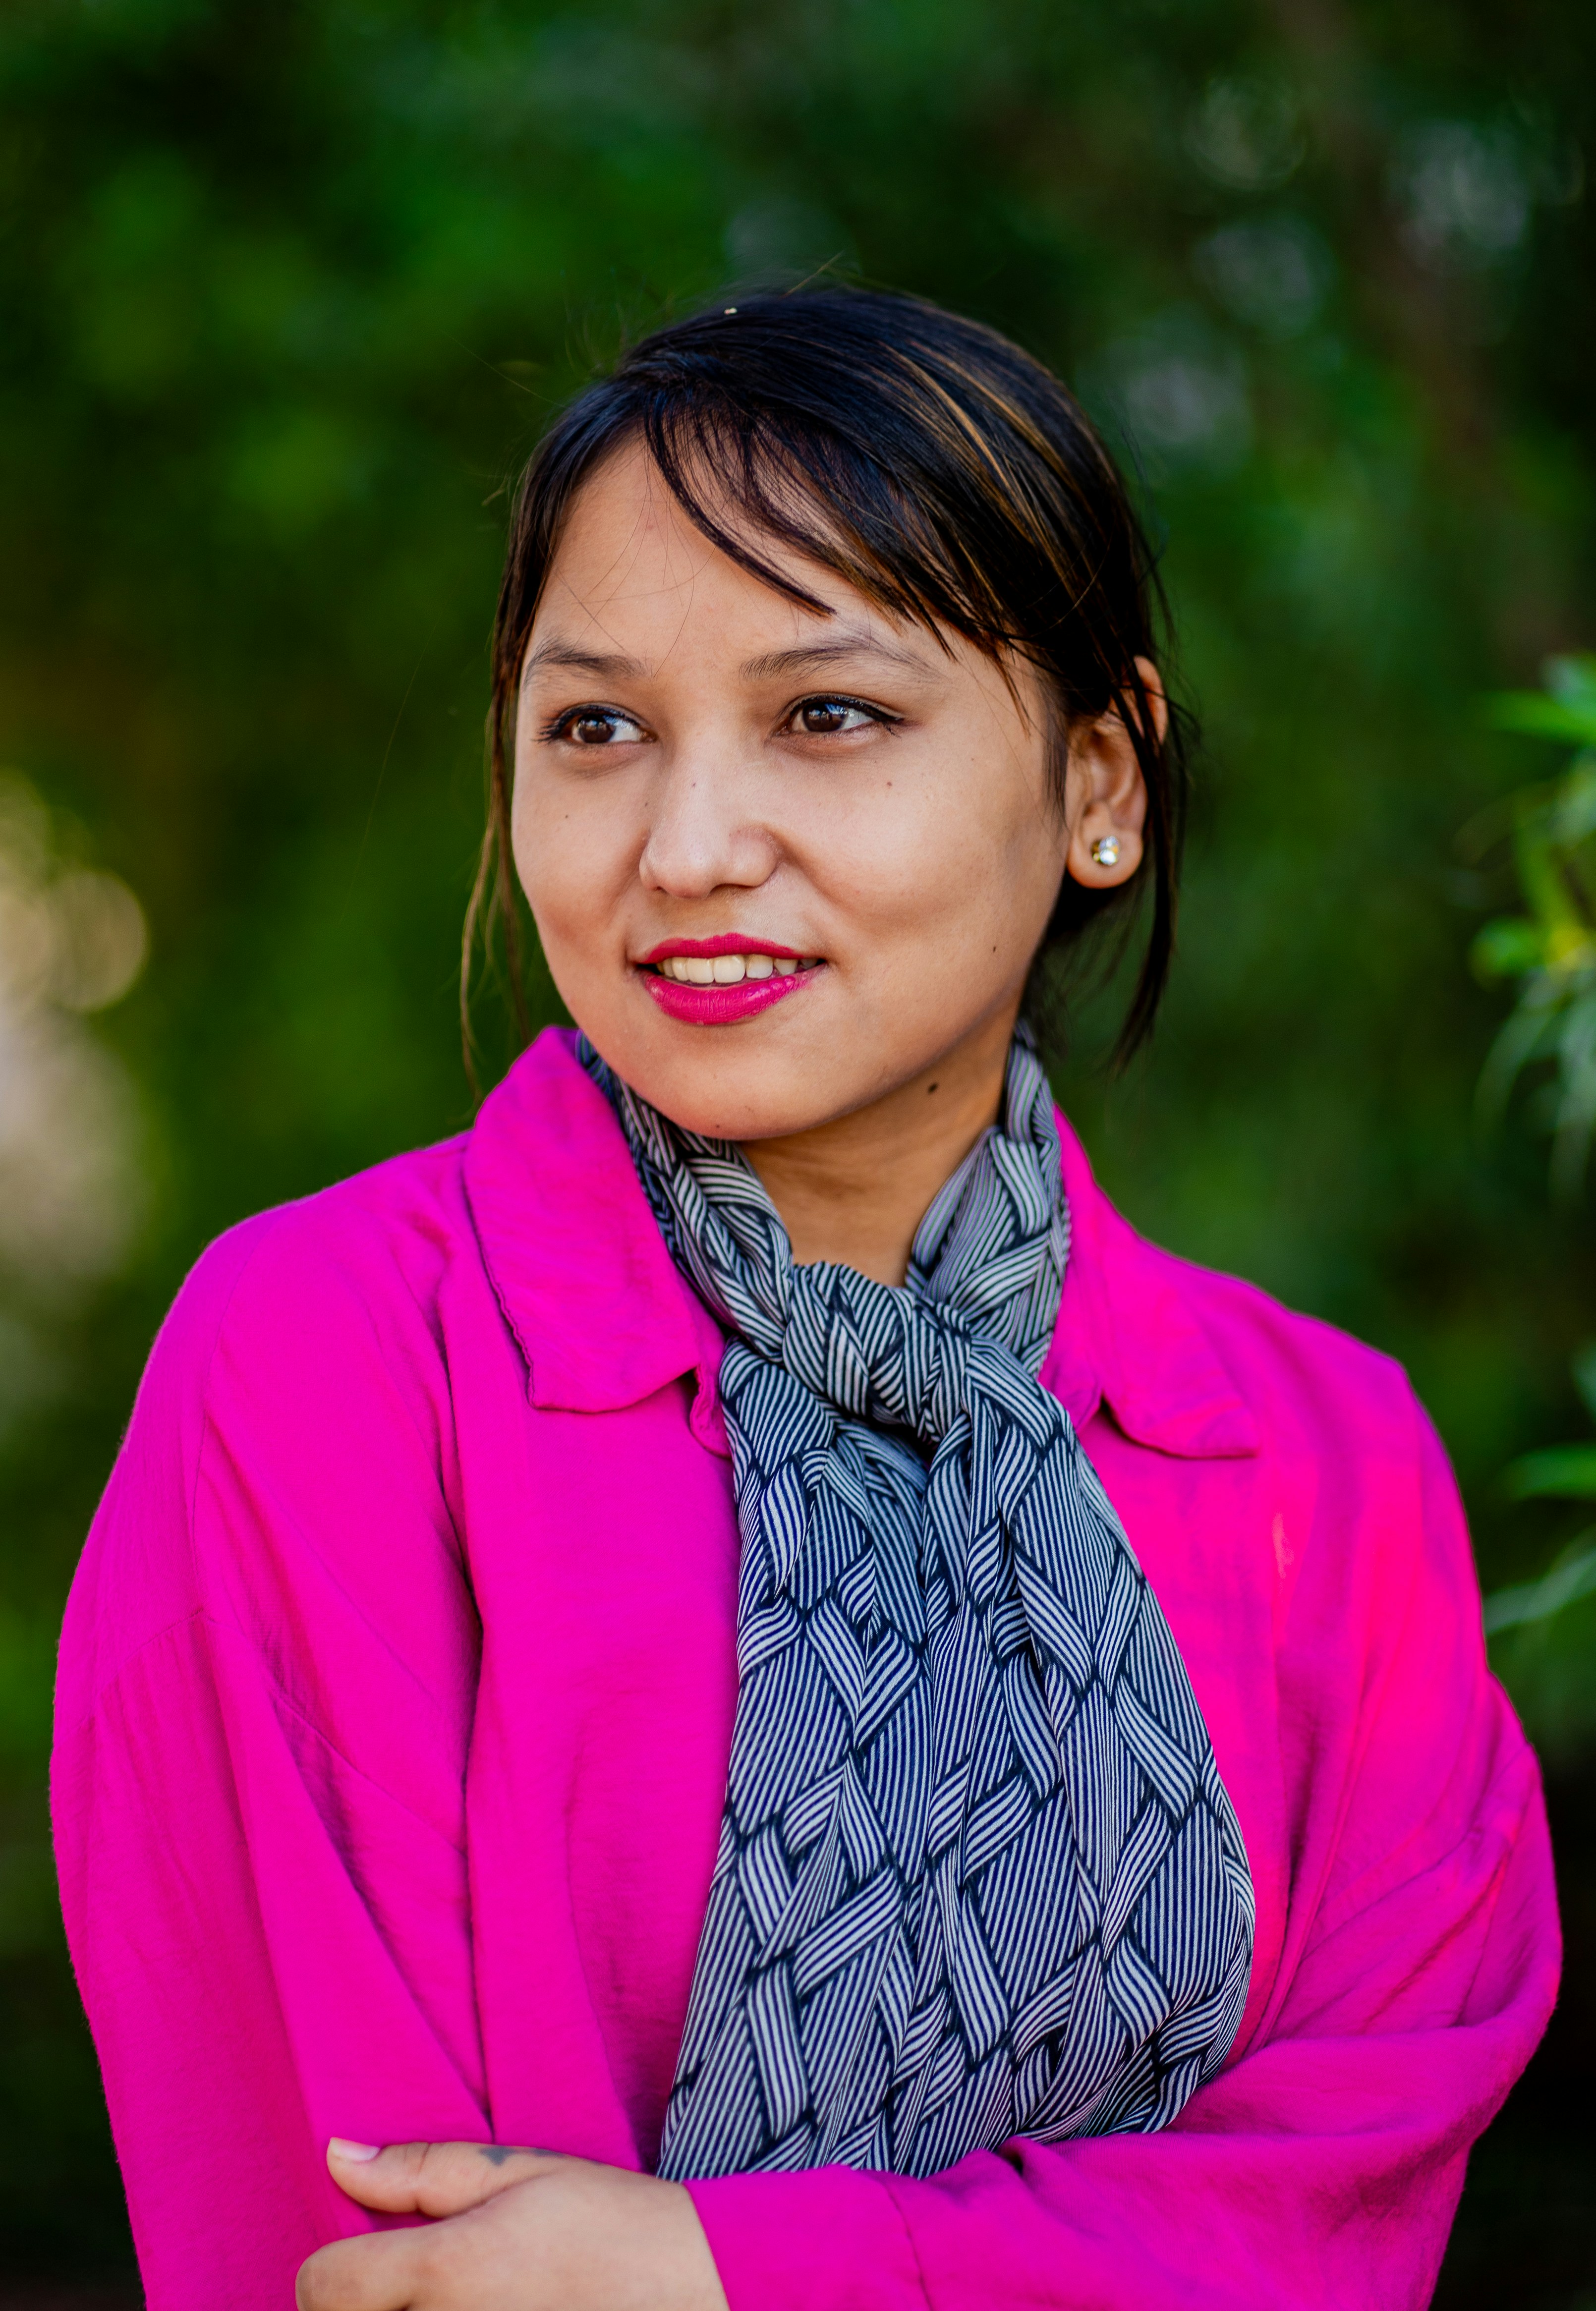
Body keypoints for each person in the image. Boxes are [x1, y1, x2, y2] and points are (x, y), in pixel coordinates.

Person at [53, 289, 1559, 2311]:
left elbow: (1330, 2225)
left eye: (826, 714)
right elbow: (384, 2247)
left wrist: (714, 2265)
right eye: (596, 726)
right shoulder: (329, 1365)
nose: (683, 845)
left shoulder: (1326, 1465)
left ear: (1098, 777)